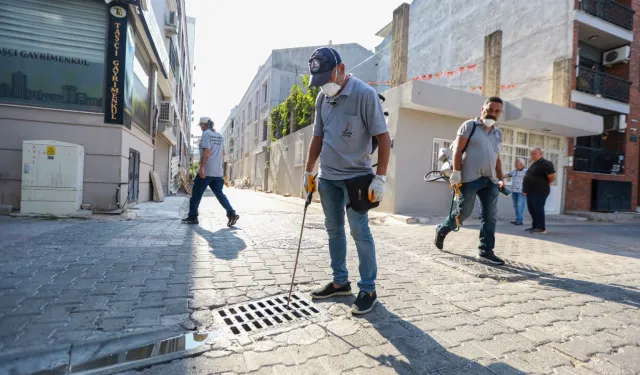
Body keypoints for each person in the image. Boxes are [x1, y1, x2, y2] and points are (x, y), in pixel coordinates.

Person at [304, 47, 391, 314]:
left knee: (359, 232)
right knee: (333, 230)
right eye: (319, 82)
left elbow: (384, 139)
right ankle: (340, 282)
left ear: (341, 70)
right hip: (329, 179)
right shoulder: (322, 98)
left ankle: (368, 288)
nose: (324, 87)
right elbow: (318, 138)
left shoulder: (364, 95)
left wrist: (380, 178)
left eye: (326, 79)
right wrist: (309, 172)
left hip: (357, 179)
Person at [434, 97, 506, 265]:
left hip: (490, 181)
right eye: (490, 109)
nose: (493, 113)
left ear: (500, 113)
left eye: (497, 111)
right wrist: (456, 173)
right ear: (483, 108)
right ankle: (442, 229)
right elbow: (458, 150)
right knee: (463, 214)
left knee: (490, 217)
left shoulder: (498, 133)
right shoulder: (469, 126)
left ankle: (486, 251)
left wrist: (500, 178)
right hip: (469, 179)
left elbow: (497, 158)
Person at [182, 117, 240, 227]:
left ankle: (193, 216)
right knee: (220, 195)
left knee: (196, 194)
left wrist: (202, 167)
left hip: (207, 171)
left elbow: (207, 151)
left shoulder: (206, 134)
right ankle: (231, 213)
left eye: (201, 125)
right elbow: (223, 153)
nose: (201, 128)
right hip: (218, 172)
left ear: (204, 124)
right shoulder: (220, 136)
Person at [523, 148, 556, 234]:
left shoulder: (546, 164)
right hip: (531, 191)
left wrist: (545, 184)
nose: (532, 155)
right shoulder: (534, 164)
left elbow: (552, 177)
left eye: (534, 154)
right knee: (532, 209)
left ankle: (541, 228)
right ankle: (535, 226)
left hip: (540, 190)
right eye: (531, 154)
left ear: (541, 154)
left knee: (538, 208)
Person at [503, 158, 527, 225]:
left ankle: (519, 220)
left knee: (519, 206)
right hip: (514, 191)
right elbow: (507, 175)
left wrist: (527, 190)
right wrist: (498, 175)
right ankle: (518, 219)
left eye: (516, 163)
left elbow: (530, 181)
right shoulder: (514, 171)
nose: (515, 164)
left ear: (521, 164)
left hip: (521, 191)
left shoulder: (526, 171)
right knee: (516, 206)